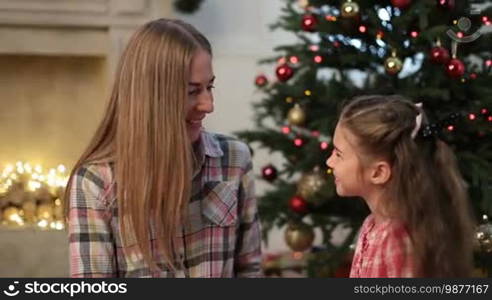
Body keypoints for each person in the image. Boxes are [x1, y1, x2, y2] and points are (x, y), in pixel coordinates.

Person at [65, 18, 262, 278]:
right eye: (193, 91)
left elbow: (250, 271)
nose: (208, 104)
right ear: (153, 97)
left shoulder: (235, 159)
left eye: (209, 87)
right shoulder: (95, 182)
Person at [326, 95, 473, 277]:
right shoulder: (371, 225)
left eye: (338, 154)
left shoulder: (395, 238)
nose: (329, 161)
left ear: (378, 172)